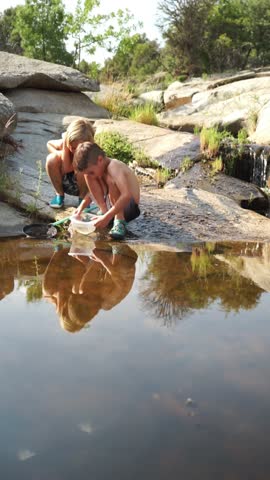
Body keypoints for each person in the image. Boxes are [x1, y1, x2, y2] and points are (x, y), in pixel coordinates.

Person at [73, 142, 140, 240]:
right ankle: (104, 211)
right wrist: (81, 207)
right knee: (87, 175)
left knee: (109, 179)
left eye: (92, 171)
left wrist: (107, 218)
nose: (92, 175)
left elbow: (127, 195)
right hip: (113, 206)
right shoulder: (98, 169)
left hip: (129, 207)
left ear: (100, 159)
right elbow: (92, 192)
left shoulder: (114, 166)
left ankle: (119, 221)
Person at [46, 118, 95, 208]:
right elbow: (49, 144)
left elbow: (67, 167)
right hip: (65, 183)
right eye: (72, 147)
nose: (75, 151)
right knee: (51, 159)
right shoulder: (66, 144)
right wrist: (60, 153)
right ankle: (59, 194)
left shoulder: (89, 150)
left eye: (78, 147)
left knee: (82, 166)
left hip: (84, 187)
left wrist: (66, 147)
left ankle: (82, 199)